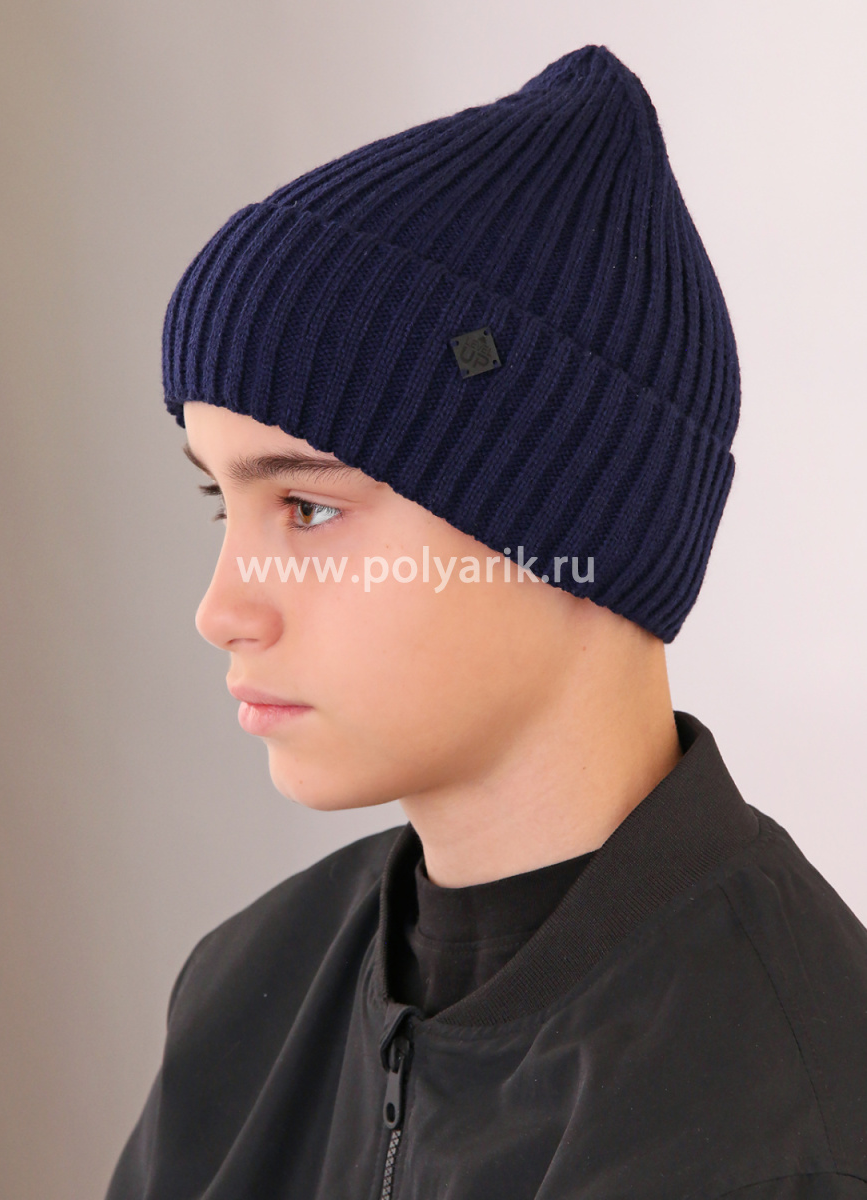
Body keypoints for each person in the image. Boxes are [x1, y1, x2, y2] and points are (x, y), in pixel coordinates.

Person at [106, 45, 867, 1200]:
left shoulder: (787, 1120)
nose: (222, 610)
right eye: (225, 501)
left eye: (308, 507)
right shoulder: (247, 990)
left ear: (573, 517)